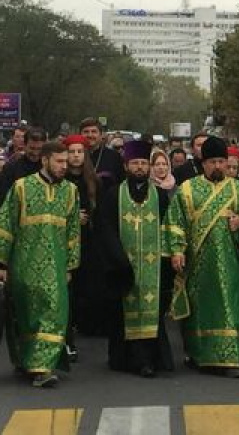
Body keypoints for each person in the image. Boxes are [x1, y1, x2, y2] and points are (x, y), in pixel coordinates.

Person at [164, 136, 239, 378]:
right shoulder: (187, 189)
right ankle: (198, 355)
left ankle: (230, 359)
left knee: (230, 306)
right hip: (198, 264)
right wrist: (176, 251)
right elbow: (175, 223)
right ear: (202, 163)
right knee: (200, 311)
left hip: (230, 264)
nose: (218, 166)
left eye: (221, 161)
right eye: (212, 162)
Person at [0, 141, 81, 387]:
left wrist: (70, 265)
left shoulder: (70, 191)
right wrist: (1, 263)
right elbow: (5, 225)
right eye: (59, 161)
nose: (63, 166)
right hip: (23, 266)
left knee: (55, 313)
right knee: (23, 316)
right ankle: (27, 362)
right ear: (45, 160)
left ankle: (43, 368)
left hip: (56, 268)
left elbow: (73, 231)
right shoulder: (22, 188)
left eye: (66, 161)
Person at [98, 140, 174, 377]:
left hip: (154, 267)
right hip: (124, 266)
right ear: (126, 165)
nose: (140, 167)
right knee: (123, 313)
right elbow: (105, 228)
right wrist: (118, 259)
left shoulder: (160, 196)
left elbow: (169, 226)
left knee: (153, 312)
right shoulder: (113, 195)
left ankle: (150, 359)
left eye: (143, 163)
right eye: (135, 163)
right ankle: (126, 359)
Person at [62, 134, 103, 359]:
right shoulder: (62, 181)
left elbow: (101, 211)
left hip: (88, 242)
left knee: (86, 287)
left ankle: (86, 324)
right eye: (72, 152)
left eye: (80, 152)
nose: (76, 156)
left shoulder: (93, 181)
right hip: (65, 242)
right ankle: (67, 338)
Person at [0, 126, 46, 206]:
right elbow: (4, 197)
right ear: (24, 145)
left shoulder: (49, 168)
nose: (35, 153)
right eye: (32, 148)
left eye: (39, 149)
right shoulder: (11, 168)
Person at [80, 118, 124, 190]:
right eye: (86, 132)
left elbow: (121, 183)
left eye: (94, 131)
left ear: (101, 135)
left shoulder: (114, 156)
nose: (90, 135)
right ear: (80, 135)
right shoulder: (75, 155)